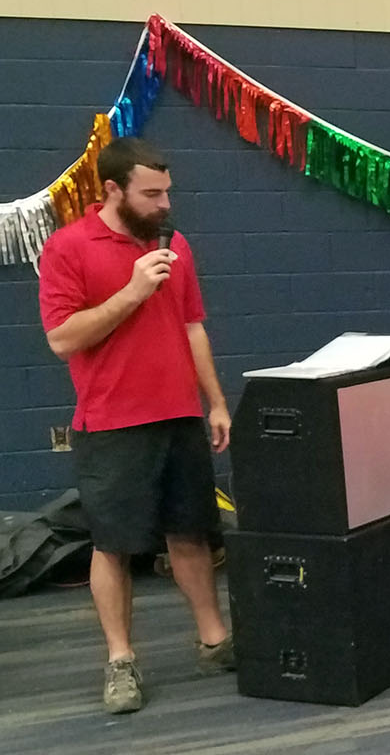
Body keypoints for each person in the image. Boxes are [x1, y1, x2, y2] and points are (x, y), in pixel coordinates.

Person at [36, 138, 235, 714]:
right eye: (152, 194)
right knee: (114, 545)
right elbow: (62, 339)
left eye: (167, 192)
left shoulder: (174, 244)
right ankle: (121, 660)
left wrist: (215, 402)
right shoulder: (68, 247)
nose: (164, 204)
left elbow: (192, 327)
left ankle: (214, 641)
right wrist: (132, 291)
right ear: (112, 190)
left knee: (191, 534)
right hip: (111, 424)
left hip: (180, 416)